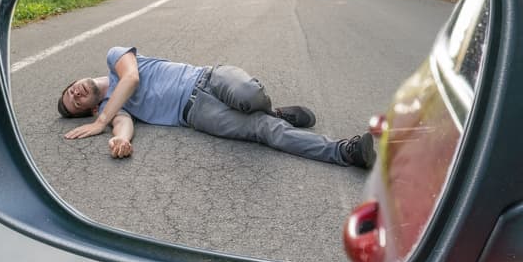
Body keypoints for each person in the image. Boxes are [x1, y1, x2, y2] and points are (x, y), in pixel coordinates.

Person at [57, 46, 375, 169]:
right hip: (197, 115)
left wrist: (101, 122)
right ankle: (348, 151)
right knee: (265, 131)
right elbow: (122, 124)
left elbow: (132, 78)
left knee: (249, 95)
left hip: (208, 78)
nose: (76, 92)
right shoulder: (116, 110)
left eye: (71, 89)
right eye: (75, 101)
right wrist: (120, 140)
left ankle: (272, 109)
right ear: (87, 109)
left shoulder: (115, 59)